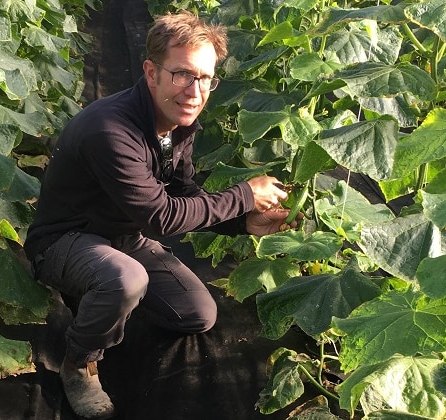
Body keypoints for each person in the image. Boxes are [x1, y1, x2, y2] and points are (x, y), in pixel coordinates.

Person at [23, 11, 296, 420]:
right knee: (126, 279)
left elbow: (186, 194)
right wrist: (243, 194)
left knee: (197, 315)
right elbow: (161, 218)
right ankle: (78, 362)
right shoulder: (111, 129)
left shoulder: (177, 124)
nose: (196, 90)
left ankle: (104, 300)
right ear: (151, 72)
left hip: (123, 237)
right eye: (183, 74)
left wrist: (245, 222)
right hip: (66, 240)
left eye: (205, 78)